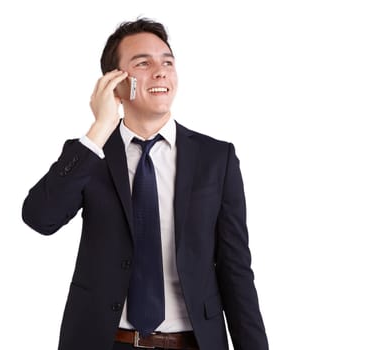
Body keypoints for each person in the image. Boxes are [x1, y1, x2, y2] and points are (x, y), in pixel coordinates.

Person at [22, 18, 268, 350]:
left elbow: (236, 269)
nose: (161, 71)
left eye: (167, 62)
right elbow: (40, 218)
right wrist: (100, 127)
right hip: (106, 341)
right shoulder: (90, 155)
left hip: (193, 342)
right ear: (115, 82)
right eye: (143, 63)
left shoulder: (216, 159)